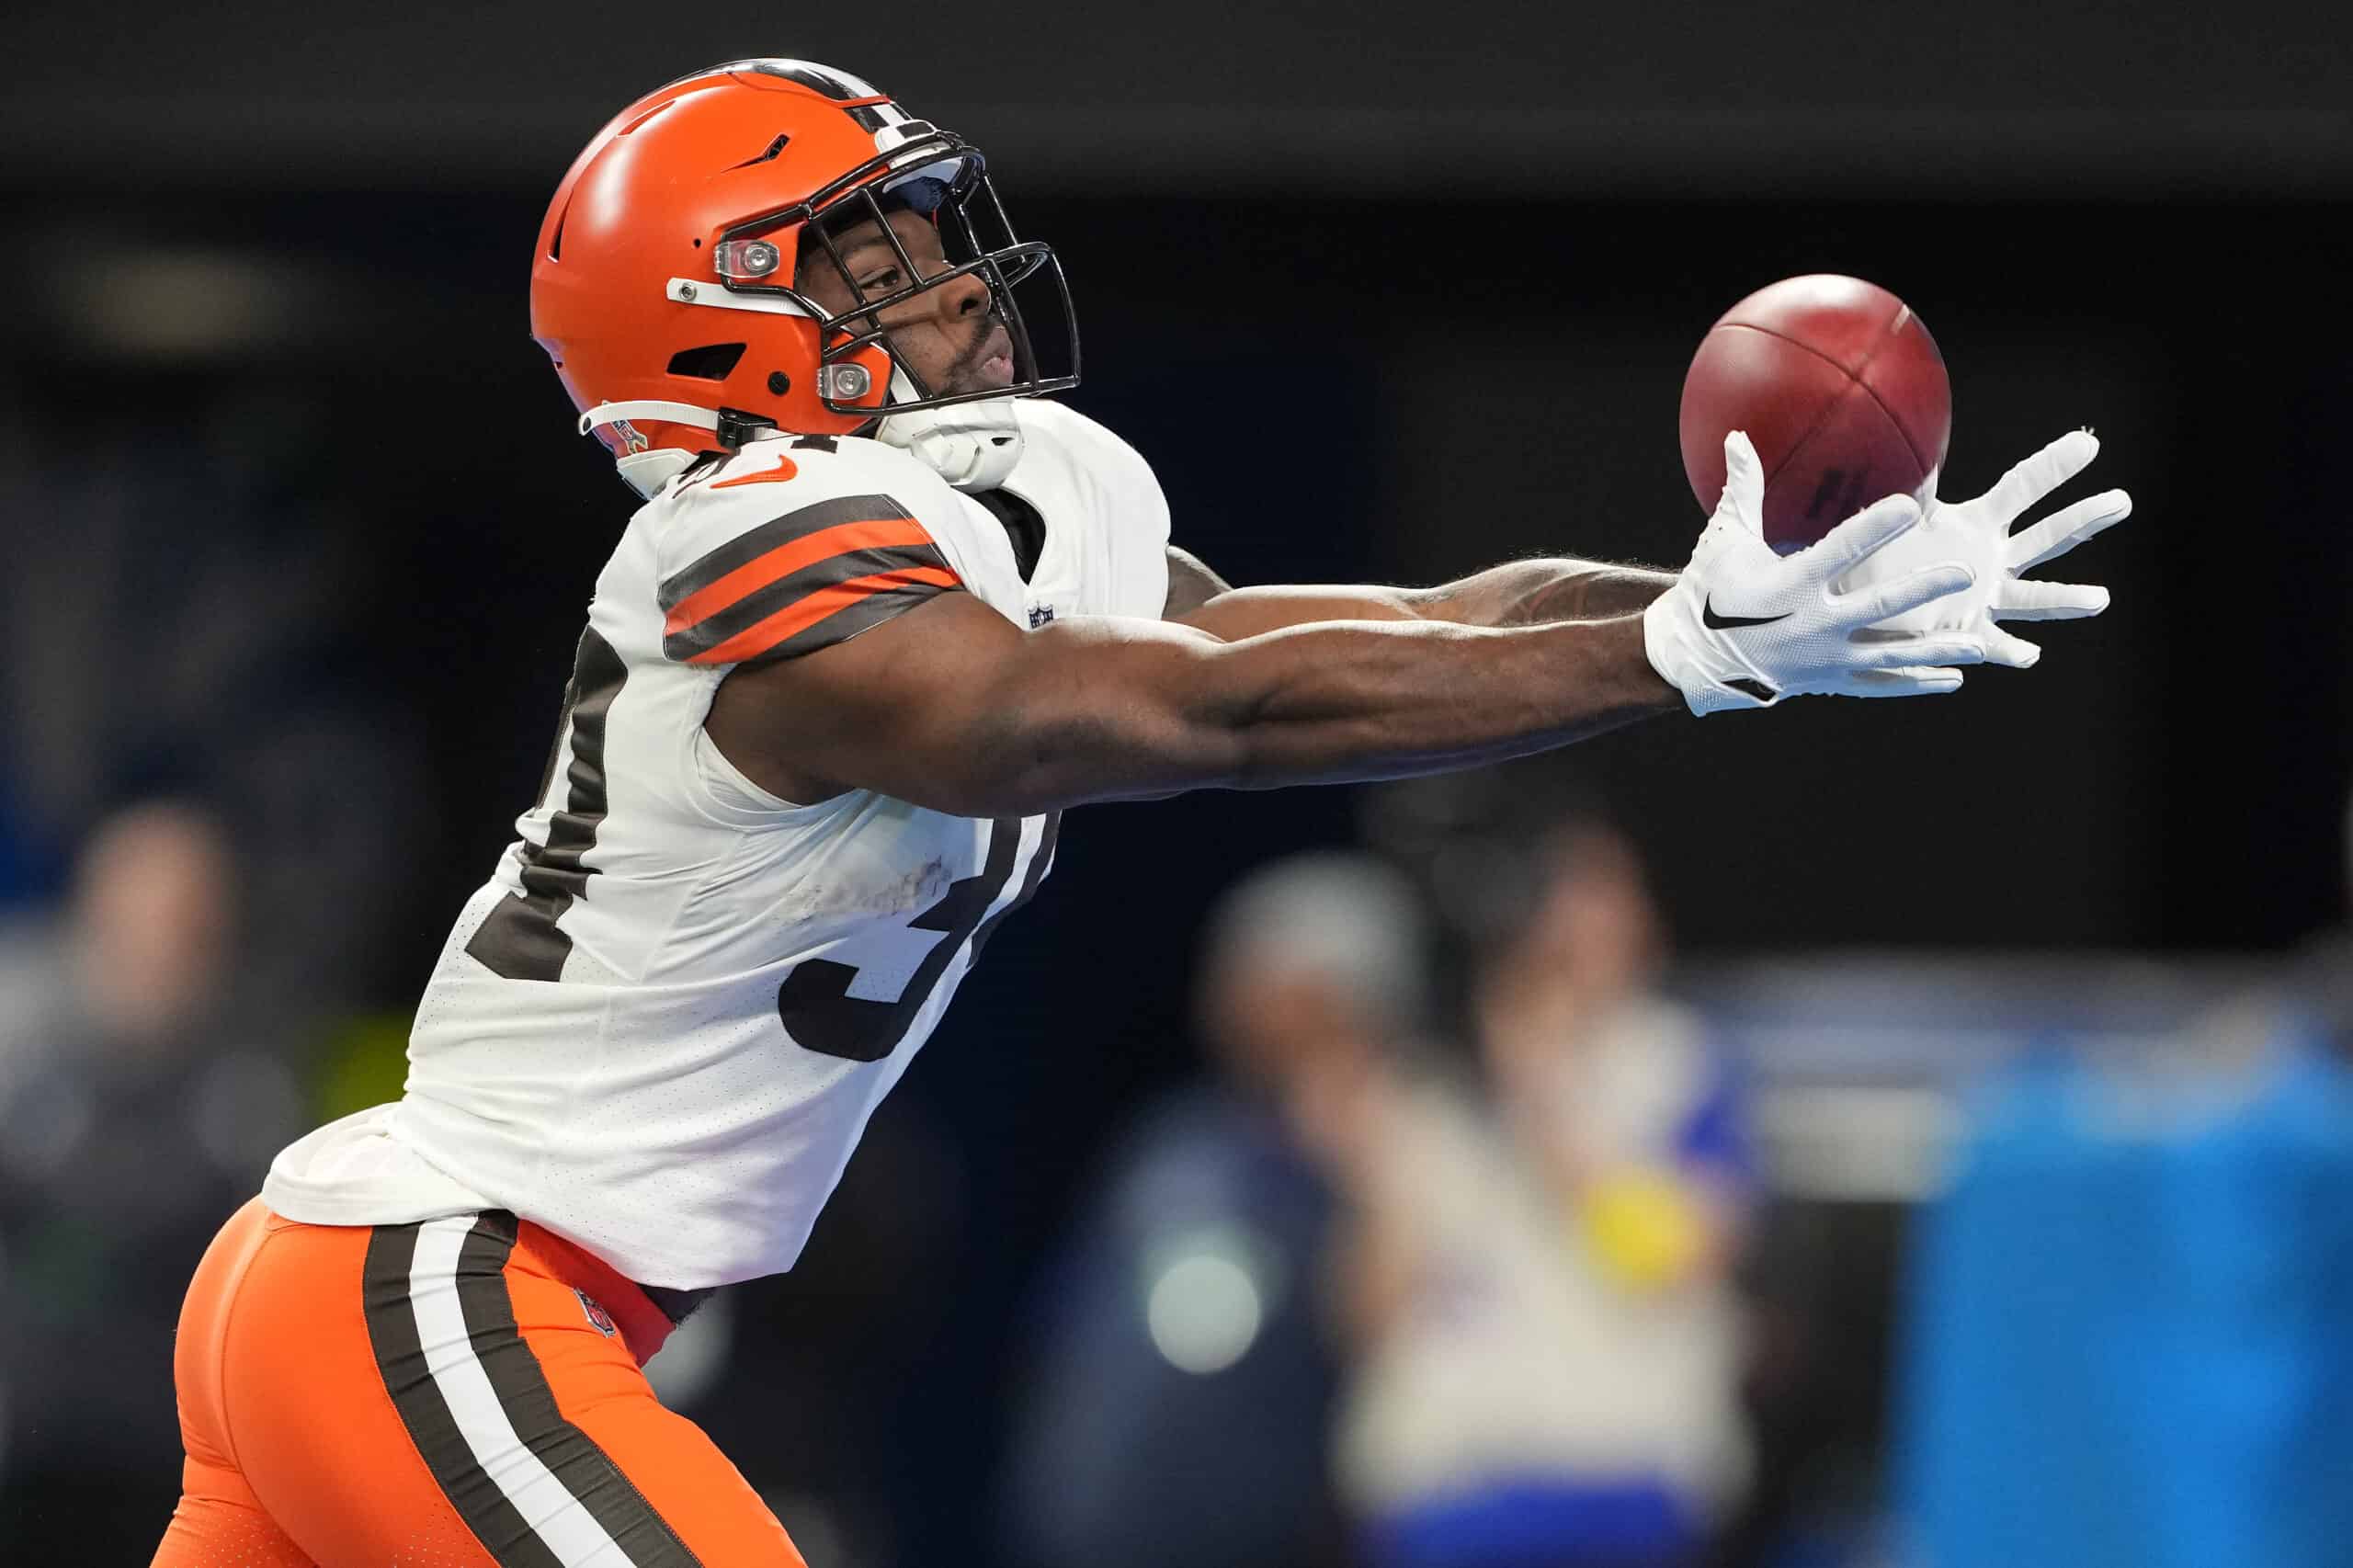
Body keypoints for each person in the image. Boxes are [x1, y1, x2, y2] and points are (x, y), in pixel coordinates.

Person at [152, 58, 2131, 1565]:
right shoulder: (747, 548)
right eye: (870, 250)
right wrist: (1676, 660)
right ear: (722, 325)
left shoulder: (945, 520)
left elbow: (1378, 630)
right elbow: (1141, 718)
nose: (942, 274)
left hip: (407, 1287)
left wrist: (1734, 614)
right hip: (432, 1285)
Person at [1328, 819, 1752, 1568]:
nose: (1582, 923)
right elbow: (1364, 1321)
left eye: (1603, 893)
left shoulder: (1678, 1064)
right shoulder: (1422, 1088)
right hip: (1448, 1489)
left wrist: (1544, 1098)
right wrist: (1374, 1164)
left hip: (1622, 1480)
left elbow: (1673, 1263)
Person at [998, 851, 1429, 1568]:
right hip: (1081, 1533)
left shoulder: (1408, 1149)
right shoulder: (1176, 1142)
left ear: (1341, 997)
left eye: (1258, 971)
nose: (1226, 995)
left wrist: (1365, 1174)